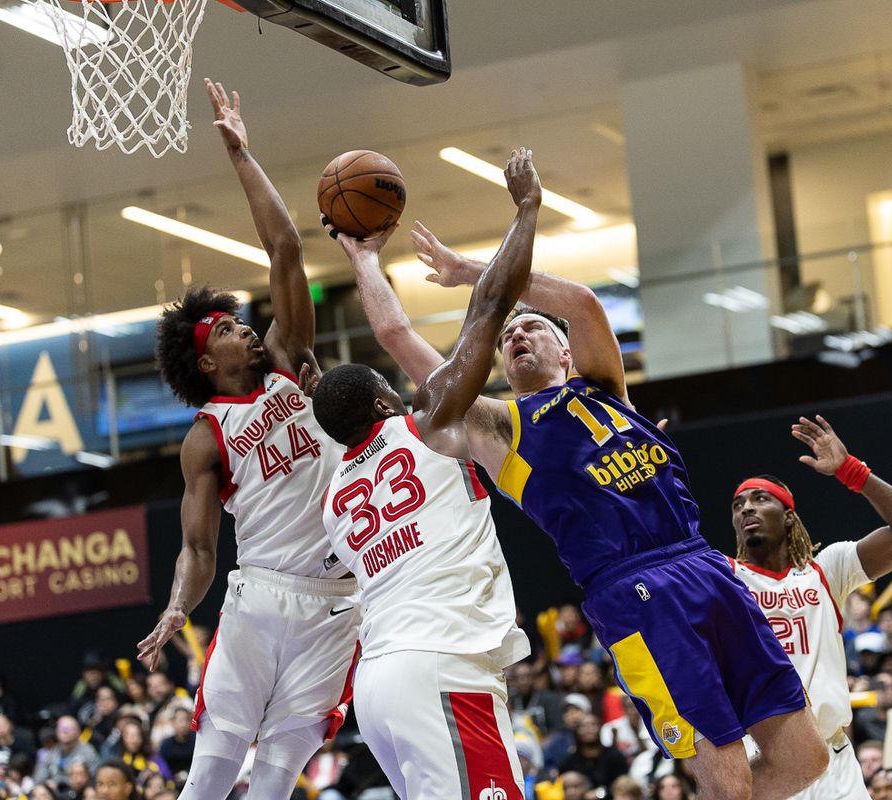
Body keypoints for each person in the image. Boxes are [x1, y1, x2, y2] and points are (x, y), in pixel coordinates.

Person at [328, 178, 827, 800]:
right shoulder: (499, 426)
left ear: (564, 350)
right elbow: (399, 340)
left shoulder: (606, 388)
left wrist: (472, 272)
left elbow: (585, 301)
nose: (515, 335)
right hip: (634, 590)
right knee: (725, 776)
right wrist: (365, 262)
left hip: (705, 565)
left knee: (807, 762)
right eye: (507, 336)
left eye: (532, 328)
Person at [138, 79, 359, 800]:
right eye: (228, 329)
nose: (244, 329)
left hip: (339, 597)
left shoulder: (290, 360)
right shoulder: (205, 438)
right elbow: (199, 548)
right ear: (207, 362)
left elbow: (287, 246)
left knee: (280, 772)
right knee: (214, 765)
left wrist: (240, 151)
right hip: (262, 593)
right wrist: (178, 605)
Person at [315, 147, 541, 799]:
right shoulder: (430, 430)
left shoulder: (334, 497)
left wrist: (358, 259)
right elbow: (393, 330)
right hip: (443, 662)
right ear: (390, 402)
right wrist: (365, 257)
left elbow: (384, 340)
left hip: (379, 684)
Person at [728, 416, 892, 799]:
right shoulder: (724, 576)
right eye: (738, 504)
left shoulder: (827, 568)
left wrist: (850, 471)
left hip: (833, 759)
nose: (746, 509)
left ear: (789, 516)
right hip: (765, 761)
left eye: (760, 498)